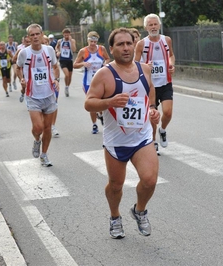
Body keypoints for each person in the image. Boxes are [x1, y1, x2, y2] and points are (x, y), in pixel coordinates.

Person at [85, 28, 160, 239]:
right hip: (116, 141)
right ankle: (115, 217)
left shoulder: (144, 69)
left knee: (150, 180)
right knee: (116, 185)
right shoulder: (104, 74)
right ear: (111, 49)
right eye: (120, 44)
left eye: (129, 43)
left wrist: (153, 109)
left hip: (142, 137)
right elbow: (88, 103)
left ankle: (139, 210)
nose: (126, 48)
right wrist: (110, 102)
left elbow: (150, 90)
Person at [16, 23, 60, 167]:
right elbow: (18, 68)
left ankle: (44, 155)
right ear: (28, 37)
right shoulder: (24, 53)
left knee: (47, 128)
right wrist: (21, 79)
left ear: (42, 35)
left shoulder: (49, 50)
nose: (35, 37)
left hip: (49, 94)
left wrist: (56, 80)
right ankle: (36, 140)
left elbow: (55, 66)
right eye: (32, 35)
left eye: (37, 34)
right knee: (38, 128)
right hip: (32, 95)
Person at [134, 13, 175, 155]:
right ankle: (153, 141)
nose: (153, 27)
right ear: (146, 27)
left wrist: (171, 64)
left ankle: (162, 130)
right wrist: (145, 66)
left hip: (165, 82)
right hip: (149, 85)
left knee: (168, 112)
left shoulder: (166, 40)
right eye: (150, 25)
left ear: (159, 25)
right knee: (153, 114)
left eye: (155, 24)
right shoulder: (142, 44)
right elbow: (135, 64)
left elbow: (171, 55)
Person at [73, 31, 111, 134]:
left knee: (102, 101)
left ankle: (101, 114)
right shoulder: (83, 51)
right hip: (88, 81)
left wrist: (105, 64)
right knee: (92, 103)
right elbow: (75, 65)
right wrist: (83, 63)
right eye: (91, 41)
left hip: (100, 81)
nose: (93, 44)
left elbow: (108, 58)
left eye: (95, 42)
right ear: (88, 40)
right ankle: (94, 124)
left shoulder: (101, 49)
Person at [55, 28, 76, 97]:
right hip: (63, 60)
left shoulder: (72, 41)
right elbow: (56, 47)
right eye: (65, 35)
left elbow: (74, 50)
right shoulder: (60, 41)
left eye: (67, 35)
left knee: (70, 76)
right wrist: (58, 51)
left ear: (69, 34)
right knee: (66, 74)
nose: (66, 36)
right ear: (63, 35)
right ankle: (66, 86)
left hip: (69, 60)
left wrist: (71, 42)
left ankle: (67, 87)